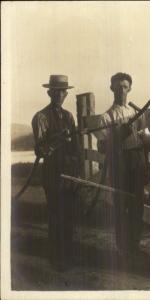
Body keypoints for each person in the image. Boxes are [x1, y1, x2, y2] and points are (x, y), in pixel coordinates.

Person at [94, 72, 150, 268]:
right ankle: (122, 249)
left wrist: (148, 165)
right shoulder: (106, 117)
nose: (121, 90)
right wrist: (118, 136)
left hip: (137, 161)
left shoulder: (138, 113)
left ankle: (134, 246)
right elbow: (102, 147)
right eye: (117, 87)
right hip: (120, 163)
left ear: (130, 88)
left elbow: (147, 142)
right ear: (111, 89)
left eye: (125, 86)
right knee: (120, 206)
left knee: (137, 206)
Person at [32, 75, 79, 271]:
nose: (60, 95)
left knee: (68, 216)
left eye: (63, 91)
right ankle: (56, 259)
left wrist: (76, 168)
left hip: (69, 174)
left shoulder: (69, 117)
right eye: (56, 91)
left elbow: (76, 148)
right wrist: (59, 138)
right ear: (50, 93)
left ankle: (68, 256)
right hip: (52, 174)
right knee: (56, 216)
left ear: (66, 94)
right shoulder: (41, 117)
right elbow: (40, 150)